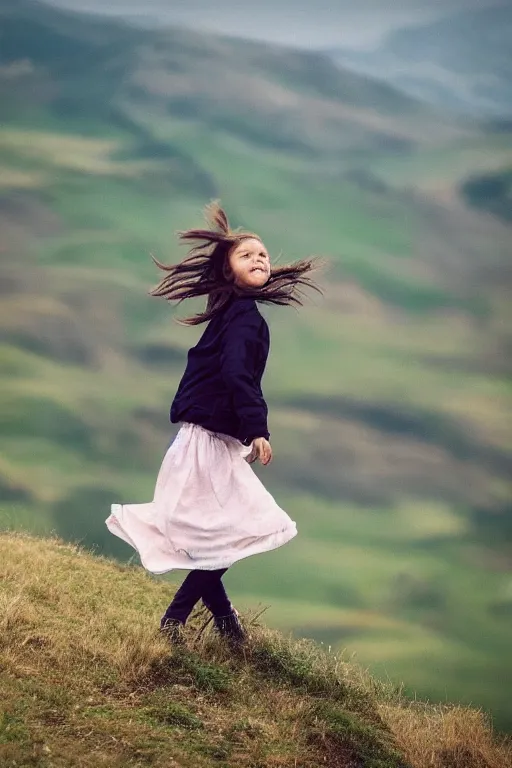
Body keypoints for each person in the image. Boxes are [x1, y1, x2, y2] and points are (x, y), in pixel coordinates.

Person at [105, 201, 323, 648]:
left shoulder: (233, 312)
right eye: (247, 255)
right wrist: (257, 428)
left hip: (207, 439)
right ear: (229, 272)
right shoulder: (242, 317)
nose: (259, 259)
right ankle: (179, 621)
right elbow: (236, 373)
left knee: (219, 534)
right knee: (245, 525)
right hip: (207, 440)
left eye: (262, 254)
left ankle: (226, 627)